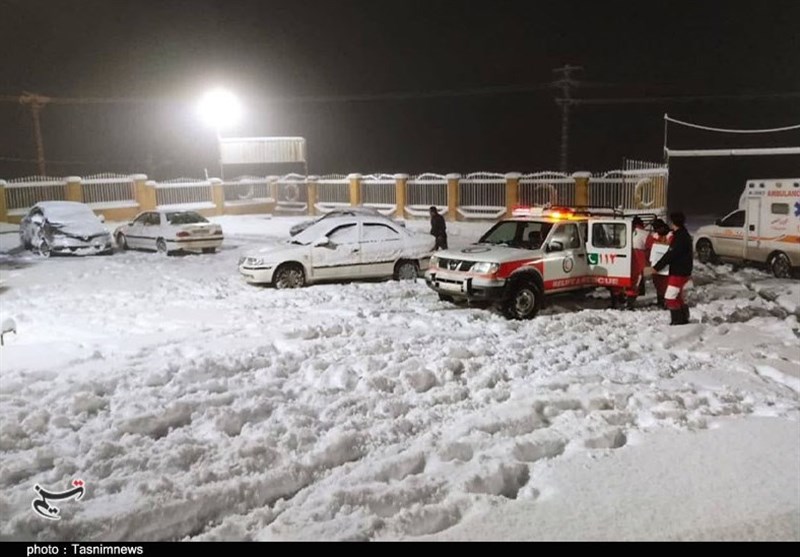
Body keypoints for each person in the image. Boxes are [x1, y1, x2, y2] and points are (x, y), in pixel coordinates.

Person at [653, 212, 693, 325]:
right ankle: (683, 318)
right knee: (677, 296)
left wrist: (656, 267)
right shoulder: (683, 234)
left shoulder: (680, 237)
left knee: (670, 297)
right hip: (682, 270)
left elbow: (671, 254)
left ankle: (677, 321)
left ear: (673, 222)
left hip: (678, 272)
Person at [623, 216, 649, 309]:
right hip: (639, 261)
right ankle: (630, 304)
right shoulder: (645, 234)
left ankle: (621, 299)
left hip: (624, 260)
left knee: (626, 281)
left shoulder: (625, 230)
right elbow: (651, 248)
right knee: (636, 282)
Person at [646, 218, 672, 308]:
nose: (657, 231)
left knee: (666, 284)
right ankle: (660, 301)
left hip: (668, 264)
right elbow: (649, 247)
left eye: (658, 229)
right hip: (656, 263)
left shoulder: (671, 235)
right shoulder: (654, 236)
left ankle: (666, 301)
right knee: (657, 283)